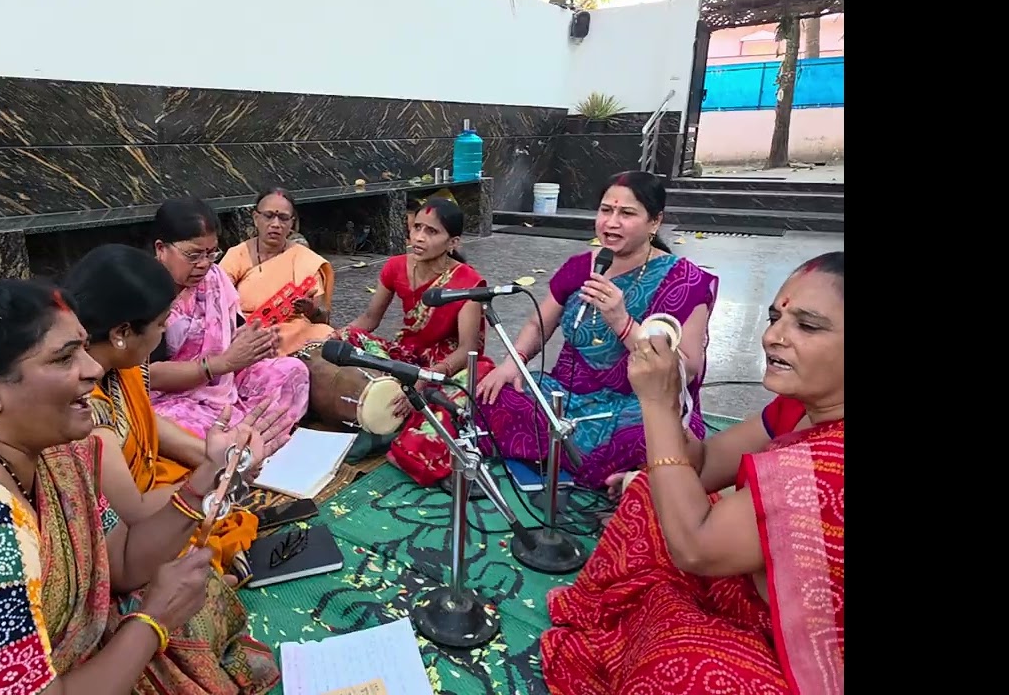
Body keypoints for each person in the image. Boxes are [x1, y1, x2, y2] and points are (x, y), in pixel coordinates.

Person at [0, 279, 279, 694]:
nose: (94, 367)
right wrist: (152, 623)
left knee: (195, 597)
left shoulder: (55, 453)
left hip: (66, 658)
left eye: (83, 346)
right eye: (63, 358)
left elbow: (122, 562)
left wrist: (210, 479)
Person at [540, 252, 845, 695]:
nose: (773, 337)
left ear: (653, 223)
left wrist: (656, 405)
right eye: (775, 317)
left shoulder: (832, 462)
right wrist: (668, 395)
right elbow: (704, 464)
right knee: (648, 489)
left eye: (807, 325)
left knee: (690, 672)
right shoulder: (796, 406)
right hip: (747, 588)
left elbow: (696, 549)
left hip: (805, 654)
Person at [475, 170, 718, 489]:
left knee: (659, 438)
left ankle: (581, 461)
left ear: (654, 222)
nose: (611, 222)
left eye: (627, 213)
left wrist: (622, 321)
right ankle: (579, 459)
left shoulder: (683, 281)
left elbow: (684, 370)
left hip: (636, 404)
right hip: (567, 395)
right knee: (490, 391)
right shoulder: (581, 266)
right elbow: (538, 323)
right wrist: (513, 362)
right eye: (606, 210)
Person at [62, 244, 284, 585]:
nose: (165, 333)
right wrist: (219, 475)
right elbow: (133, 510)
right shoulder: (83, 407)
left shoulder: (119, 365)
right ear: (121, 333)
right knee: (200, 543)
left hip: (149, 481)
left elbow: (149, 425)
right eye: (162, 324)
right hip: (125, 526)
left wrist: (224, 459)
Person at [338, 197, 494, 485]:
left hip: (447, 365)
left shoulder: (468, 283)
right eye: (417, 227)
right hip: (407, 356)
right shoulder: (396, 267)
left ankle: (405, 438)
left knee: (472, 381)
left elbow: (467, 350)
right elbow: (369, 320)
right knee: (346, 341)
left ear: (453, 242)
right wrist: (337, 337)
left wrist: (423, 380)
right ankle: (383, 414)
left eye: (432, 232)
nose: (419, 237)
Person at [148, 197, 310, 455]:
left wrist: (256, 342)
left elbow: (234, 330)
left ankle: (243, 439)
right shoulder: (145, 291)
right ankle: (244, 443)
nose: (204, 263)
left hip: (222, 383)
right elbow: (145, 376)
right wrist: (219, 365)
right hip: (172, 397)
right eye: (193, 254)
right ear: (161, 249)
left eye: (211, 253)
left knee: (292, 371)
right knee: (172, 425)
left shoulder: (213, 279)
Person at [219, 188, 336, 356]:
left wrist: (310, 310)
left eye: (283, 218)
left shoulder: (306, 259)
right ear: (255, 218)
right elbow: (216, 304)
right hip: (248, 333)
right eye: (268, 216)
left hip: (296, 333)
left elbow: (322, 318)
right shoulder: (236, 255)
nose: (275, 224)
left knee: (325, 336)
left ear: (291, 223)